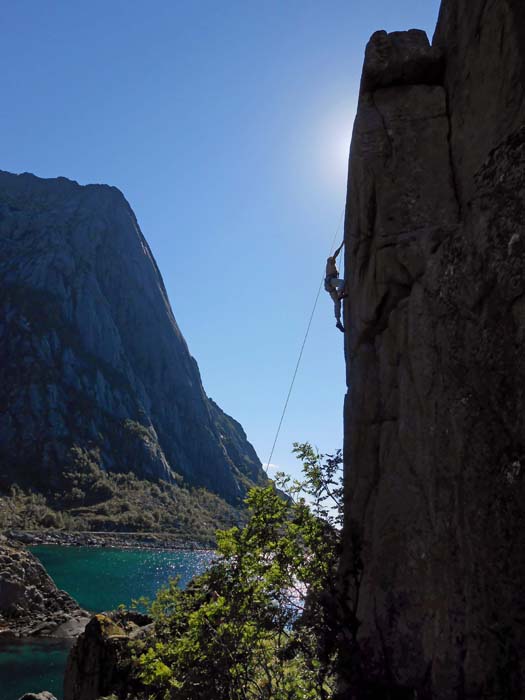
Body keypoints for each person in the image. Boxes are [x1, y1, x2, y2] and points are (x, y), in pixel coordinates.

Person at [324, 241, 346, 332]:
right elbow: (336, 253)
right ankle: (340, 293)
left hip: (329, 286)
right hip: (330, 282)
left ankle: (338, 321)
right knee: (342, 283)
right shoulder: (330, 263)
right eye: (332, 260)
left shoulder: (331, 265)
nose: (333, 261)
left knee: (337, 303)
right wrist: (342, 245)